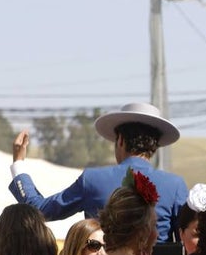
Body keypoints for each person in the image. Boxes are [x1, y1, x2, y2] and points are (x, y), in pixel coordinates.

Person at [10, 103, 189, 243]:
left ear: (120, 140)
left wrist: (18, 163)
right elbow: (186, 241)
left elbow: (39, 210)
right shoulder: (175, 186)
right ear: (155, 147)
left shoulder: (92, 179)